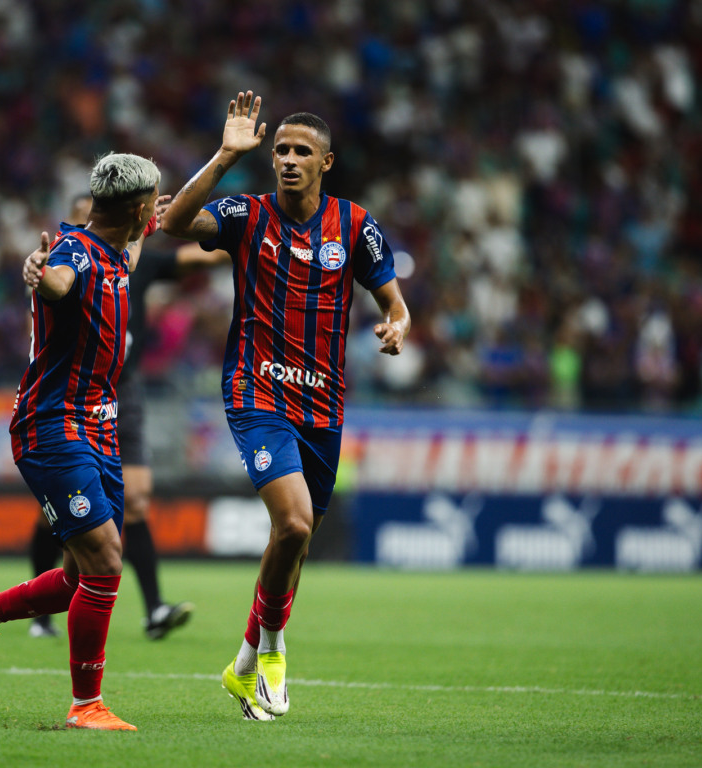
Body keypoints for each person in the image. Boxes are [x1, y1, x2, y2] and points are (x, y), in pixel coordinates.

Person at [161, 91, 411, 721]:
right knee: (294, 524)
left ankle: (244, 664)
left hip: (323, 403)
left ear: (326, 162)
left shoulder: (354, 225)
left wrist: (397, 326)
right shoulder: (246, 214)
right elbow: (173, 224)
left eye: (303, 151)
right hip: (257, 391)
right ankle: (273, 653)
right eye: (281, 150)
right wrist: (225, 156)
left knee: (292, 543)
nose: (290, 160)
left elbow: (395, 303)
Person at [0, 152, 160, 732]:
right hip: (53, 427)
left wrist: (224, 158)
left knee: (78, 577)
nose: (153, 216)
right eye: (150, 207)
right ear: (137, 209)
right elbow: (58, 281)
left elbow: (142, 237)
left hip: (98, 427)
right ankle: (85, 705)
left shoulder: (119, 251)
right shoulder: (74, 251)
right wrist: (38, 275)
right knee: (106, 561)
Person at [28, 196, 226, 641]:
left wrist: (250, 239)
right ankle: (35, 615)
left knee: (132, 504)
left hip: (122, 393)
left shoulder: (132, 259)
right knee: (64, 525)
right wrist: (41, 275)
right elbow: (52, 292)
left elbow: (192, 256)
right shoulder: (67, 258)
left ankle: (153, 608)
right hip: (69, 400)